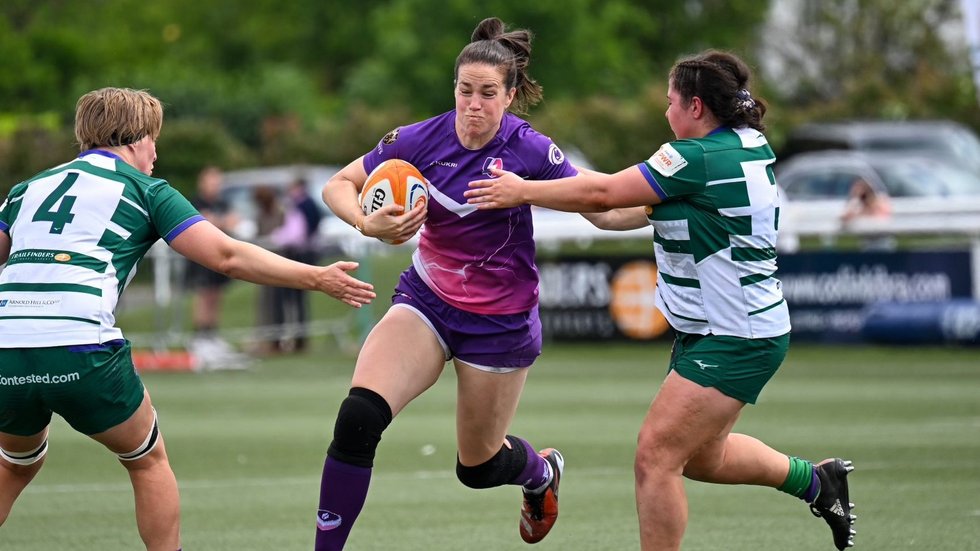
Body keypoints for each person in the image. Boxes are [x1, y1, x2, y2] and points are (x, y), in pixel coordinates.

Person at [465, 50, 856, 551]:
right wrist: (547, 167)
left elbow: (605, 195)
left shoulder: (695, 159)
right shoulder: (741, 144)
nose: (665, 112)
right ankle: (817, 482)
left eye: (670, 102)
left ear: (696, 107)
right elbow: (609, 212)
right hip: (727, 331)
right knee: (701, 458)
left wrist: (523, 190)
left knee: (655, 457)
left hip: (734, 337)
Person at [0, 87, 375, 551]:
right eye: (155, 138)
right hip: (81, 344)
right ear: (136, 138)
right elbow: (227, 255)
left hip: (7, 347)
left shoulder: (26, 189)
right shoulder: (146, 190)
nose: (156, 152)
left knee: (13, 464)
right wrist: (317, 277)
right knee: (146, 459)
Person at [316, 17, 574, 550]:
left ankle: (539, 475)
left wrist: (656, 199)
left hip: (499, 323)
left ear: (509, 96)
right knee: (357, 418)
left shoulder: (530, 151)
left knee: (477, 468)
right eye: (464, 91)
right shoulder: (417, 139)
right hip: (427, 303)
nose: (473, 104)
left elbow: (599, 205)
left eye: (487, 93)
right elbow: (339, 185)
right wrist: (367, 221)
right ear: (453, 89)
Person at [184, 165, 238, 362]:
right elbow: (203, 223)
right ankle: (200, 337)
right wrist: (217, 221)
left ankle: (212, 335)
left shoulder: (222, 203)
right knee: (204, 295)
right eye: (211, 181)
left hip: (219, 256)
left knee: (216, 294)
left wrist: (218, 221)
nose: (215, 185)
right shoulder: (195, 201)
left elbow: (231, 221)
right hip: (201, 257)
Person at [270, 178, 325, 352]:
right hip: (306, 253)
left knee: (292, 299)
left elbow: (295, 233)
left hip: (299, 254)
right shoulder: (309, 204)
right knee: (300, 301)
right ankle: (300, 338)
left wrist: (277, 238)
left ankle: (296, 338)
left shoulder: (299, 206)